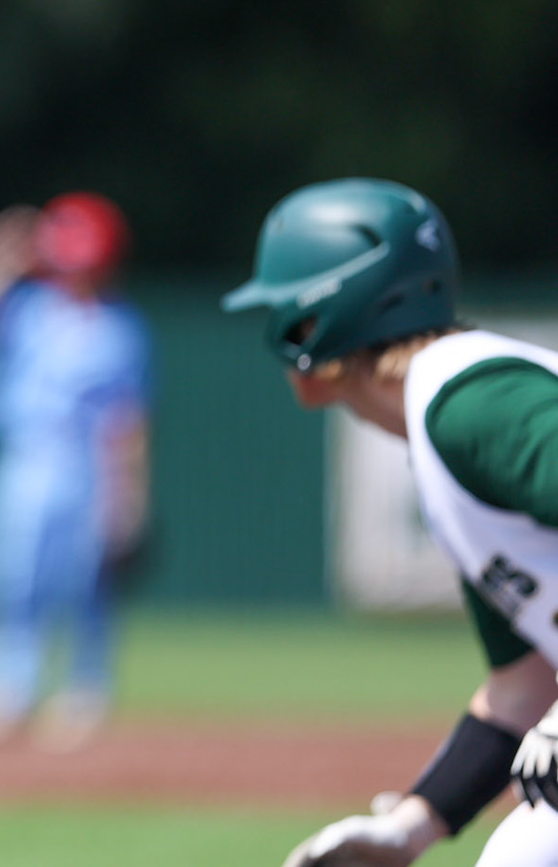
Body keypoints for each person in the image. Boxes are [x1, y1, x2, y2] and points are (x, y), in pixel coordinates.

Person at [224, 177, 558, 867]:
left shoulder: (471, 404)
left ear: (311, 323)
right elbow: (523, 688)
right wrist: (411, 827)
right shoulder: (447, 423)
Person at [0, 192, 151, 750]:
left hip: (88, 464)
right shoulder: (27, 308)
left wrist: (131, 501)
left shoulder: (121, 328)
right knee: (12, 578)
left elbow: (128, 423)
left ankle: (85, 694)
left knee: (87, 581)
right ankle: (8, 694)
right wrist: (2, 245)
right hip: (26, 457)